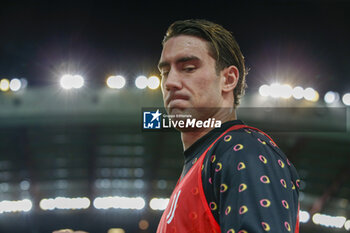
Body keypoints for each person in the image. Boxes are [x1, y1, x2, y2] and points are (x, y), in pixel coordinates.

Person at [156, 19, 300, 233]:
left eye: (188, 68)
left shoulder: (241, 149)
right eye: (165, 72)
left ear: (228, 79)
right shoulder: (204, 162)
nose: (170, 82)